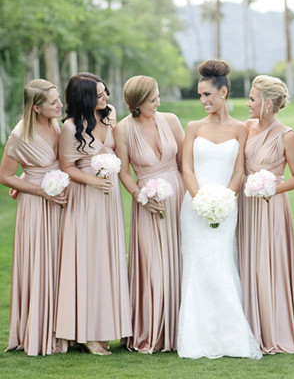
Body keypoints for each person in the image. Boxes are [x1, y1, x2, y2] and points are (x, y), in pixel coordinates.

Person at [177, 60, 261, 360]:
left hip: (226, 207)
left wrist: (226, 200)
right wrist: (199, 200)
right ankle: (195, 338)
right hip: (194, 207)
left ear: (223, 92)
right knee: (197, 265)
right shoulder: (193, 127)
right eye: (200, 95)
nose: (203, 100)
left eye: (207, 95)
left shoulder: (240, 129)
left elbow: (239, 171)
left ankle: (231, 338)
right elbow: (186, 167)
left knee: (222, 264)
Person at [55, 72, 132, 355]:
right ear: (85, 98)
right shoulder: (70, 127)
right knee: (88, 260)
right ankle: (86, 332)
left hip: (109, 197)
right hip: (85, 198)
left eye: (105, 92)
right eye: (99, 95)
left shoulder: (109, 116)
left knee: (108, 259)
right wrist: (92, 181)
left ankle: (107, 327)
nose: (106, 98)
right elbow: (67, 167)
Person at [238, 74, 294, 354]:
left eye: (252, 99)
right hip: (247, 204)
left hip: (271, 205)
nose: (248, 104)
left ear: (267, 103)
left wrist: (272, 189)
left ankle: (274, 327)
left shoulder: (286, 135)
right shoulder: (246, 127)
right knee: (247, 260)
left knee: (271, 261)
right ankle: (248, 324)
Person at [115, 75, 185, 353]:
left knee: (181, 259)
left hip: (178, 197)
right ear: (137, 102)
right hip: (147, 201)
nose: (158, 102)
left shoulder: (171, 120)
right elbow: (123, 170)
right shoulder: (123, 129)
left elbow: (185, 162)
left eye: (157, 97)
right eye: (152, 99)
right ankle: (153, 329)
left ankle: (181, 329)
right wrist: (139, 196)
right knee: (153, 264)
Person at [0, 79, 67, 356]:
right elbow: (5, 175)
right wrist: (38, 189)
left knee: (60, 263)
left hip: (59, 201)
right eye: (53, 102)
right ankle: (39, 331)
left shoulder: (56, 124)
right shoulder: (20, 135)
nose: (60, 104)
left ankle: (64, 329)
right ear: (36, 108)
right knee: (41, 263)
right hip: (37, 206)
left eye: (58, 98)